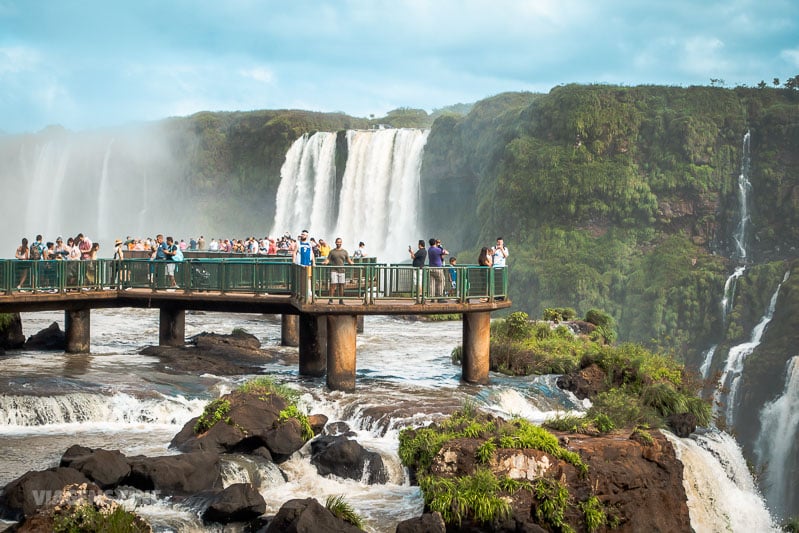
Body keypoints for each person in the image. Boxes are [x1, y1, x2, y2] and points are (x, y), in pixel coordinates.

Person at [323, 237, 354, 304]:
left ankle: (341, 300)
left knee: (341, 285)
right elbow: (328, 259)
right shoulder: (332, 251)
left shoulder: (344, 252)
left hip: (342, 270)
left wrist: (351, 263)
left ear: (341, 243)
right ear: (335, 243)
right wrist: (325, 262)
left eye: (340, 242)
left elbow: (348, 260)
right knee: (333, 285)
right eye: (337, 242)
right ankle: (330, 299)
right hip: (334, 270)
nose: (339, 243)